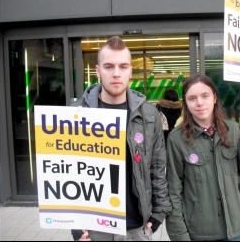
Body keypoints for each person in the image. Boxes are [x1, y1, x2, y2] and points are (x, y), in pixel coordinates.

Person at [70, 36, 172, 241]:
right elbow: (68, 170)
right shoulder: (76, 114)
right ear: (98, 71)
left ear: (130, 71)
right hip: (95, 227)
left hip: (137, 227)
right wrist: (75, 223)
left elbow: (157, 167)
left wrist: (159, 212)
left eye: (123, 66)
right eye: (109, 66)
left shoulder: (149, 115)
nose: (116, 73)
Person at [165, 74, 240, 241]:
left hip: (234, 228)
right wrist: (180, 236)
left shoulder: (233, 129)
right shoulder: (176, 139)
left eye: (205, 96)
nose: (199, 102)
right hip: (200, 232)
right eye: (192, 98)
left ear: (215, 97)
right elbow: (173, 192)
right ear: (186, 102)